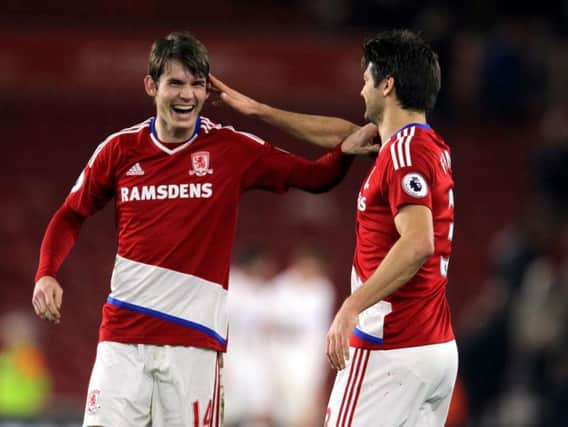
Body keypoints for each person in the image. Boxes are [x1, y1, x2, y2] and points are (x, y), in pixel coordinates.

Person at [31, 31, 379, 427]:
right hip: (123, 337)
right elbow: (70, 214)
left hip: (195, 342)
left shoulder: (231, 149)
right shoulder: (119, 150)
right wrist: (46, 273)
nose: (187, 95)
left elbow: (315, 177)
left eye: (197, 84)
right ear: (151, 86)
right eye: (175, 83)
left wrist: (343, 155)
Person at [211, 28, 458, 426]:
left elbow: (418, 243)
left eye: (366, 81)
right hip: (435, 350)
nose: (361, 91)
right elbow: (342, 135)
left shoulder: (402, 153)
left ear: (387, 85)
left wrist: (351, 306)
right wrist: (258, 110)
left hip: (389, 346)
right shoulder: (426, 146)